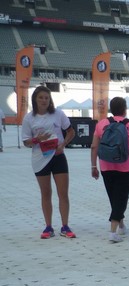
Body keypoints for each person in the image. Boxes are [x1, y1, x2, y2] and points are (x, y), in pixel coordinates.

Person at [22, 85, 76, 239]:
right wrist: (37, 139)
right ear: (35, 99)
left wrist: (63, 144)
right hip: (40, 159)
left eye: (46, 98)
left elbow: (71, 131)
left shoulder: (58, 114)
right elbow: (26, 142)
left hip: (58, 157)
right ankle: (48, 227)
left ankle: (65, 226)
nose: (44, 100)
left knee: (63, 193)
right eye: (41, 97)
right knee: (46, 193)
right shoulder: (29, 118)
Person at [90, 97, 129, 242]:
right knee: (122, 197)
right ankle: (113, 232)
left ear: (111, 109)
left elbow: (94, 146)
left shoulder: (102, 124)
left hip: (106, 166)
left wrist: (93, 166)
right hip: (126, 167)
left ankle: (121, 224)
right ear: (125, 109)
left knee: (114, 196)